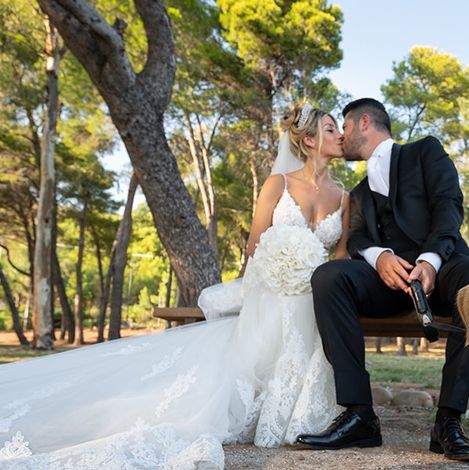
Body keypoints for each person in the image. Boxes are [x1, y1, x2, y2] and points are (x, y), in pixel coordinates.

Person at [0, 104, 346, 469]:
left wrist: (309, 269)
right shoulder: (280, 183)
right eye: (329, 128)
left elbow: (339, 259)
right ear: (309, 140)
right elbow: (254, 244)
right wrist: (281, 266)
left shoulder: (344, 196)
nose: (339, 134)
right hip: (271, 288)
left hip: (314, 295)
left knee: (307, 317)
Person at [296, 98, 469, 463]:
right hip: (386, 285)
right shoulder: (356, 192)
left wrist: (430, 261)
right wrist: (379, 256)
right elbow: (356, 238)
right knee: (328, 276)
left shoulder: (425, 152)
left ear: (364, 122)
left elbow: (449, 206)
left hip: (444, 268)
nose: (341, 135)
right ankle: (360, 416)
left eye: (345, 126)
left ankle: (448, 422)